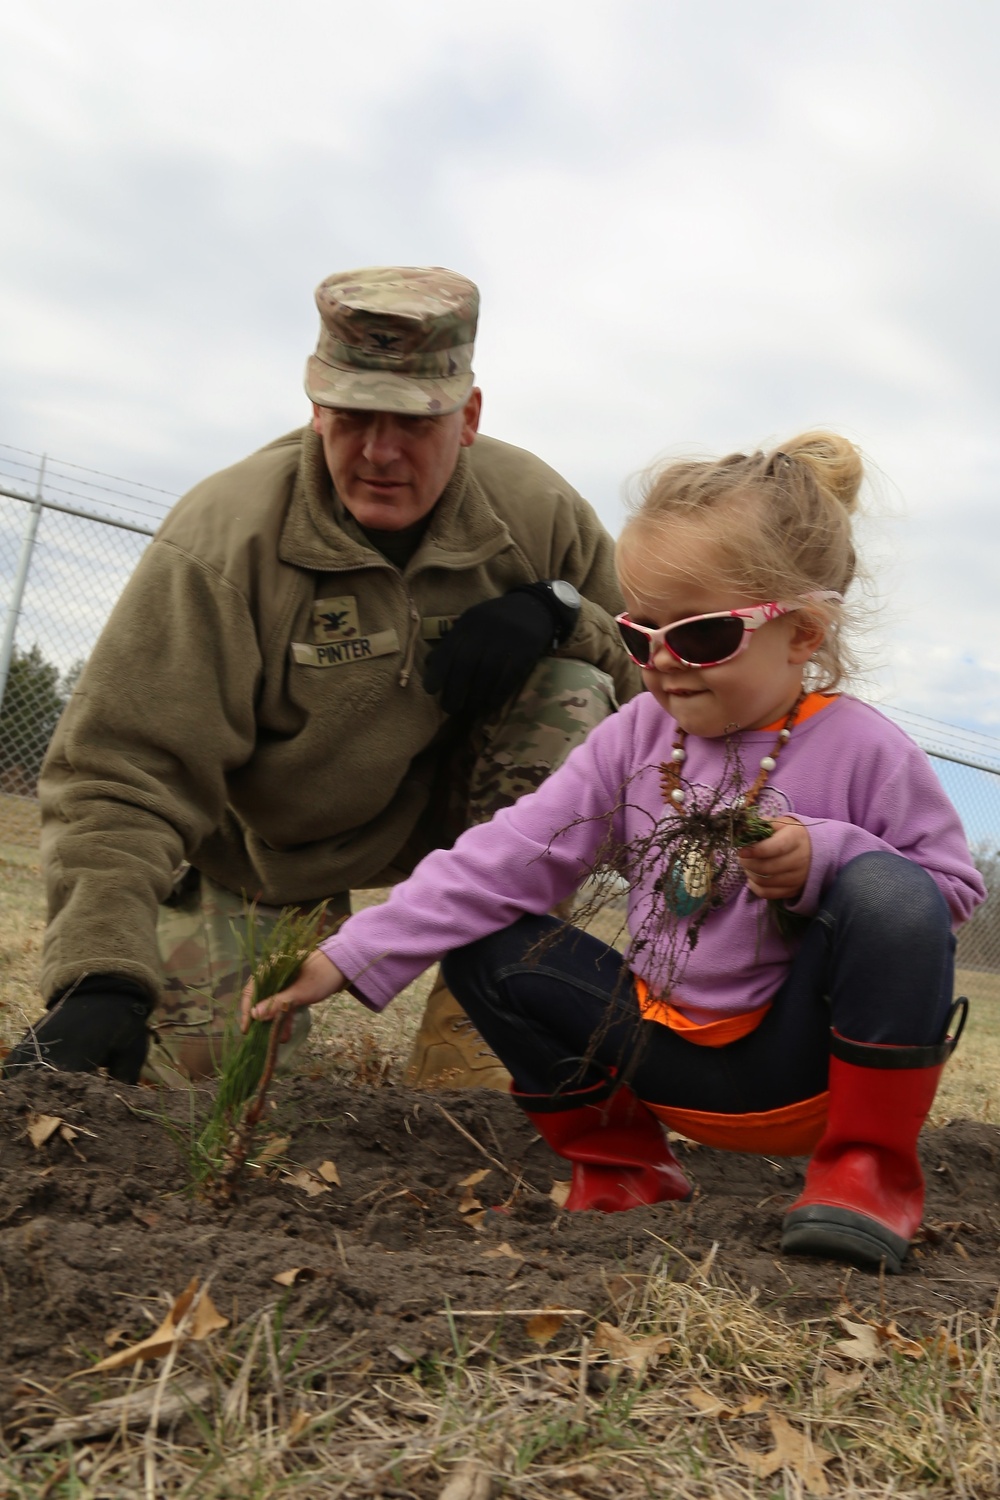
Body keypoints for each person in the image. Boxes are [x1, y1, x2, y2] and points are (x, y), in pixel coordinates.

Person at [242, 430, 985, 1273]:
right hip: (658, 1052)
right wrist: (347, 956)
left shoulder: (864, 748)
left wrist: (830, 858)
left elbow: (945, 895)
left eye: (701, 637)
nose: (663, 663)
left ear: (804, 632)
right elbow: (504, 854)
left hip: (806, 1071)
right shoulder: (637, 735)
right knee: (487, 942)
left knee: (892, 894)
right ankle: (626, 1165)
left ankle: (864, 1176)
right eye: (641, 634)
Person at [5, 265, 639, 1089]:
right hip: (263, 854)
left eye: (412, 422)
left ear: (468, 416)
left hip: (457, 831)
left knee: (571, 691)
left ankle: (483, 1019)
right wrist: (99, 972)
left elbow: (654, 672)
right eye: (351, 416)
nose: (378, 452)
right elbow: (121, 770)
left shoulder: (535, 512)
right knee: (204, 1101)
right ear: (315, 408)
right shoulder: (225, 539)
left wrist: (563, 614)